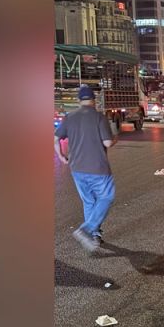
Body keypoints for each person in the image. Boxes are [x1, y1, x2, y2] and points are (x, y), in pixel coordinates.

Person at [55, 85, 118, 253]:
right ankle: (87, 229)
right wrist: (115, 137)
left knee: (89, 201)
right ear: (94, 100)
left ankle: (94, 235)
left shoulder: (69, 117)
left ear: (78, 100)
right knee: (107, 197)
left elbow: (55, 138)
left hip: (77, 168)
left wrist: (61, 156)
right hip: (98, 167)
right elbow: (108, 143)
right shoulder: (99, 117)